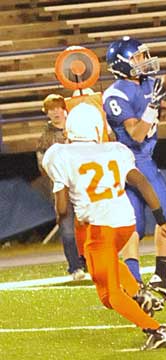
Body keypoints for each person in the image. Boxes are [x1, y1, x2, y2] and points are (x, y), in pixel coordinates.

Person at [42, 102, 166, 350]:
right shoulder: (115, 149)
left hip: (99, 228)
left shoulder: (59, 154)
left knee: (109, 294)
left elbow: (61, 209)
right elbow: (143, 183)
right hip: (125, 223)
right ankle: (139, 293)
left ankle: (156, 330)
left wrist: (63, 217)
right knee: (103, 274)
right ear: (96, 127)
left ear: (70, 128)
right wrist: (161, 219)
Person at [103, 36, 166, 304]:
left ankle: (147, 280)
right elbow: (136, 134)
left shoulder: (150, 83)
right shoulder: (116, 94)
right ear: (122, 63)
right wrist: (151, 107)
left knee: (138, 222)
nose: (144, 60)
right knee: (157, 217)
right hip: (131, 160)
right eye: (137, 57)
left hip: (145, 157)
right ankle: (146, 279)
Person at [36, 94, 86, 280]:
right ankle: (75, 266)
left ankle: (90, 260)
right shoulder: (45, 138)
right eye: (51, 109)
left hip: (82, 183)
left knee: (90, 224)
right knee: (66, 226)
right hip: (61, 186)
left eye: (58, 107)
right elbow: (43, 166)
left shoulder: (78, 129)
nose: (56, 112)